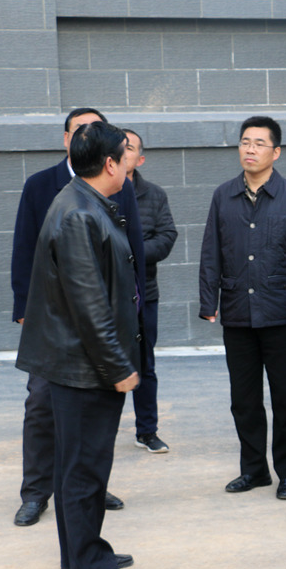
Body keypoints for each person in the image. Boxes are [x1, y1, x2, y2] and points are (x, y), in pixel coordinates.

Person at [16, 121, 146, 569]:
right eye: (126, 154)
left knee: (76, 465)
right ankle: (90, 564)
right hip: (83, 367)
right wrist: (119, 369)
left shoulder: (82, 201)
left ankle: (78, 552)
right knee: (85, 468)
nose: (131, 161)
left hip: (80, 363)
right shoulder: (78, 214)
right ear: (110, 163)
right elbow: (89, 307)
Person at [199, 116, 286, 500]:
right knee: (244, 399)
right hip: (237, 312)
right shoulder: (223, 196)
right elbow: (211, 252)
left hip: (281, 312)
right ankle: (254, 470)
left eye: (259, 143)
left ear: (275, 152)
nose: (250, 149)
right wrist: (209, 301)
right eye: (245, 142)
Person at [122, 130, 177, 454]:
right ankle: (98, 430)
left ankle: (147, 431)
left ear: (140, 159)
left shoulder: (154, 195)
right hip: (105, 296)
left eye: (129, 148)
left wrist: (132, 253)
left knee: (144, 365)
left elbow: (167, 236)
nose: (122, 152)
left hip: (144, 293)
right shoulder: (97, 191)